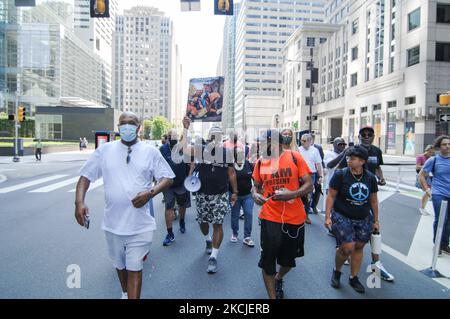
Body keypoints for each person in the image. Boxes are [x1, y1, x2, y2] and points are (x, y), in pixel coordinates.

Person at [74, 112, 175, 299]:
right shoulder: (104, 151)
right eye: (123, 123)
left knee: (135, 266)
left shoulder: (150, 151)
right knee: (120, 265)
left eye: (131, 123)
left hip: (140, 224)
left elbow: (167, 177)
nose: (127, 127)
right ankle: (124, 292)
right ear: (118, 126)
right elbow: (85, 176)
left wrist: (150, 193)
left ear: (139, 127)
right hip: (113, 224)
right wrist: (79, 202)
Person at [252, 129, 313, 299]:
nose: (260, 146)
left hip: (294, 218)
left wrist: (292, 194)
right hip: (270, 217)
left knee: (288, 261)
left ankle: (279, 277)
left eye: (263, 142)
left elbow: (309, 185)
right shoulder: (260, 162)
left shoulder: (295, 157)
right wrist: (255, 195)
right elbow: (256, 186)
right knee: (268, 261)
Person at [335, 126, 394, 282]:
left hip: (368, 195)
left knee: (374, 231)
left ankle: (377, 264)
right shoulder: (352, 152)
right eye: (364, 134)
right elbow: (339, 169)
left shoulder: (376, 151)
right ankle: (343, 251)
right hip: (348, 198)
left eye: (370, 134)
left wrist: (381, 178)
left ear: (374, 136)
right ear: (359, 136)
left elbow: (378, 168)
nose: (366, 136)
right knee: (347, 243)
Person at [325, 145, 380, 294]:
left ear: (362, 161)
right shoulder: (340, 175)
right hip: (342, 215)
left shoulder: (369, 177)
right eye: (348, 158)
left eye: (353, 159)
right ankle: (337, 271)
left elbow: (374, 200)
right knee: (347, 247)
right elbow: (331, 196)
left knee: (359, 246)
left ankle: (353, 277)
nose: (349, 161)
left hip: (363, 218)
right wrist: (328, 216)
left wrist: (376, 220)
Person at [186, 121, 238, 274]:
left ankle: (214, 256)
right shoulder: (200, 150)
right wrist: (186, 128)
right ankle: (207, 239)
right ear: (208, 138)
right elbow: (184, 147)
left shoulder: (227, 153)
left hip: (220, 195)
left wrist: (234, 192)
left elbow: (231, 173)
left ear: (221, 138)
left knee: (218, 224)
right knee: (203, 223)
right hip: (202, 195)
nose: (215, 138)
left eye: (218, 136)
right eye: (212, 136)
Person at [160, 127, 194, 246]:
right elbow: (157, 164)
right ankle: (170, 234)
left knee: (182, 205)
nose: (173, 139)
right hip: (168, 183)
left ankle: (182, 221)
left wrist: (189, 176)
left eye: (175, 137)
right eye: (171, 137)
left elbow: (192, 162)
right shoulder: (163, 149)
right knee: (168, 206)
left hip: (181, 183)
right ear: (168, 138)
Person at [419, 135, 450, 255]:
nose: (447, 146)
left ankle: (444, 244)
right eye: (444, 144)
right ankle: (436, 245)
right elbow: (422, 175)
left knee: (449, 221)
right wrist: (427, 189)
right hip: (439, 193)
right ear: (439, 146)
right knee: (441, 219)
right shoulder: (434, 160)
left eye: (449, 144)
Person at [230, 147, 255, 246]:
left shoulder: (248, 164)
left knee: (248, 214)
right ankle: (235, 233)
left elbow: (255, 176)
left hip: (248, 195)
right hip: (234, 196)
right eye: (238, 153)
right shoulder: (231, 165)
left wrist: (255, 188)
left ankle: (247, 237)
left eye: (242, 153)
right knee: (235, 215)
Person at [323, 137, 347, 236]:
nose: (341, 147)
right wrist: (343, 154)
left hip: (343, 184)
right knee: (332, 207)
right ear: (334, 145)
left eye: (343, 145)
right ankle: (331, 228)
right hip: (331, 184)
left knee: (340, 207)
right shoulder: (330, 154)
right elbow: (330, 164)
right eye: (339, 145)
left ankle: (339, 227)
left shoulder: (346, 155)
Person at [299, 133, 323, 223]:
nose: (302, 142)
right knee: (299, 195)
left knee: (308, 196)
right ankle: (299, 214)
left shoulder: (315, 151)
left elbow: (318, 164)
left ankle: (306, 215)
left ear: (310, 141)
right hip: (299, 175)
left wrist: (320, 176)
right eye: (301, 140)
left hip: (311, 175)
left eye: (304, 141)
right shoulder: (298, 150)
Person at [416, 145, 435, 216]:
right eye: (429, 152)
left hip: (429, 177)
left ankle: (423, 207)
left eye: (432, 153)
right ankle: (422, 208)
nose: (430, 154)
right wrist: (427, 166)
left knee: (427, 192)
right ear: (426, 150)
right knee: (426, 192)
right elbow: (417, 167)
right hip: (422, 177)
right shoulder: (420, 157)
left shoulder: (431, 158)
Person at [311, 133, 325, 214]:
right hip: (308, 171)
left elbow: (321, 160)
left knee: (318, 187)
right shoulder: (302, 147)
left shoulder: (318, 148)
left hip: (317, 171)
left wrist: (324, 169)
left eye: (312, 138)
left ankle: (314, 206)